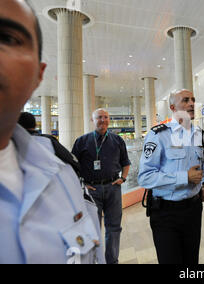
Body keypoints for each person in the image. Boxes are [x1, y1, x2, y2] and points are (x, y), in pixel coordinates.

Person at [0, 0, 101, 264]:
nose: (103, 122)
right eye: (99, 118)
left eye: (7, 37)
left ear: (38, 75)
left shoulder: (62, 174)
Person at [138, 89, 204, 264]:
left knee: (191, 261)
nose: (191, 103)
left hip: (193, 210)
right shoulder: (158, 135)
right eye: (185, 100)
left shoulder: (199, 134)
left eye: (193, 99)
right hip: (166, 213)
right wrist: (183, 177)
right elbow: (145, 177)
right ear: (172, 107)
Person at [72, 108, 131, 264]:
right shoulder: (81, 141)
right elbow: (72, 167)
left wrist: (123, 179)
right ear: (93, 120)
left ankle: (112, 261)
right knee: (93, 229)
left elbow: (126, 163)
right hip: (92, 191)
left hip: (113, 188)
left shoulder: (118, 140)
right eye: (99, 117)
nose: (103, 120)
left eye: (106, 117)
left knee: (114, 228)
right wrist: (82, 184)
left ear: (109, 120)